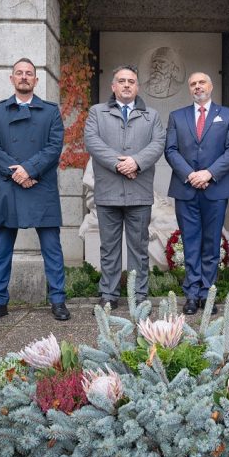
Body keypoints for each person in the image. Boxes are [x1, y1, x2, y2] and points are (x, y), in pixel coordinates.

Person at [0, 57, 69, 324]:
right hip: (9, 187)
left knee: (52, 249)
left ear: (36, 80)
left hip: (41, 186)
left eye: (28, 73)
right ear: (12, 79)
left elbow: (54, 147)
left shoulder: (51, 112)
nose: (23, 77)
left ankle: (58, 300)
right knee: (2, 249)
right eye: (19, 73)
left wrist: (29, 170)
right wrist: (16, 173)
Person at [84, 65, 166, 312]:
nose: (127, 85)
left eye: (131, 81)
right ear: (113, 86)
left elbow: (158, 143)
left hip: (139, 193)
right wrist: (119, 164)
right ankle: (108, 294)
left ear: (137, 87)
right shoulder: (97, 112)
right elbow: (92, 141)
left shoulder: (151, 116)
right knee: (109, 248)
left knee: (139, 249)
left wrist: (136, 162)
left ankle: (138, 296)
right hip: (108, 192)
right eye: (122, 81)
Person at [165, 72, 229, 315]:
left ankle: (207, 293)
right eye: (193, 84)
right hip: (186, 189)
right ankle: (191, 294)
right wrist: (190, 174)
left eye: (201, 82)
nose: (197, 87)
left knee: (211, 243)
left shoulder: (227, 115)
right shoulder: (177, 116)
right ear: (189, 89)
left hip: (215, 189)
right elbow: (171, 150)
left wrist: (209, 173)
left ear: (211, 86)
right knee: (190, 243)